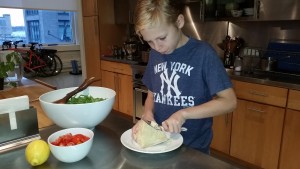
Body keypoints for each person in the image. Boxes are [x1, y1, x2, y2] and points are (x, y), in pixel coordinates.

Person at [132, 0, 237, 154]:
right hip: (160, 145)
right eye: (149, 41)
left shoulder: (203, 53)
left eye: (162, 38)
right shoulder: (155, 54)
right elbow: (152, 94)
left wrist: (183, 114)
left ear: (179, 22)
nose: (157, 47)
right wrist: (148, 113)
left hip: (194, 149)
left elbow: (230, 102)